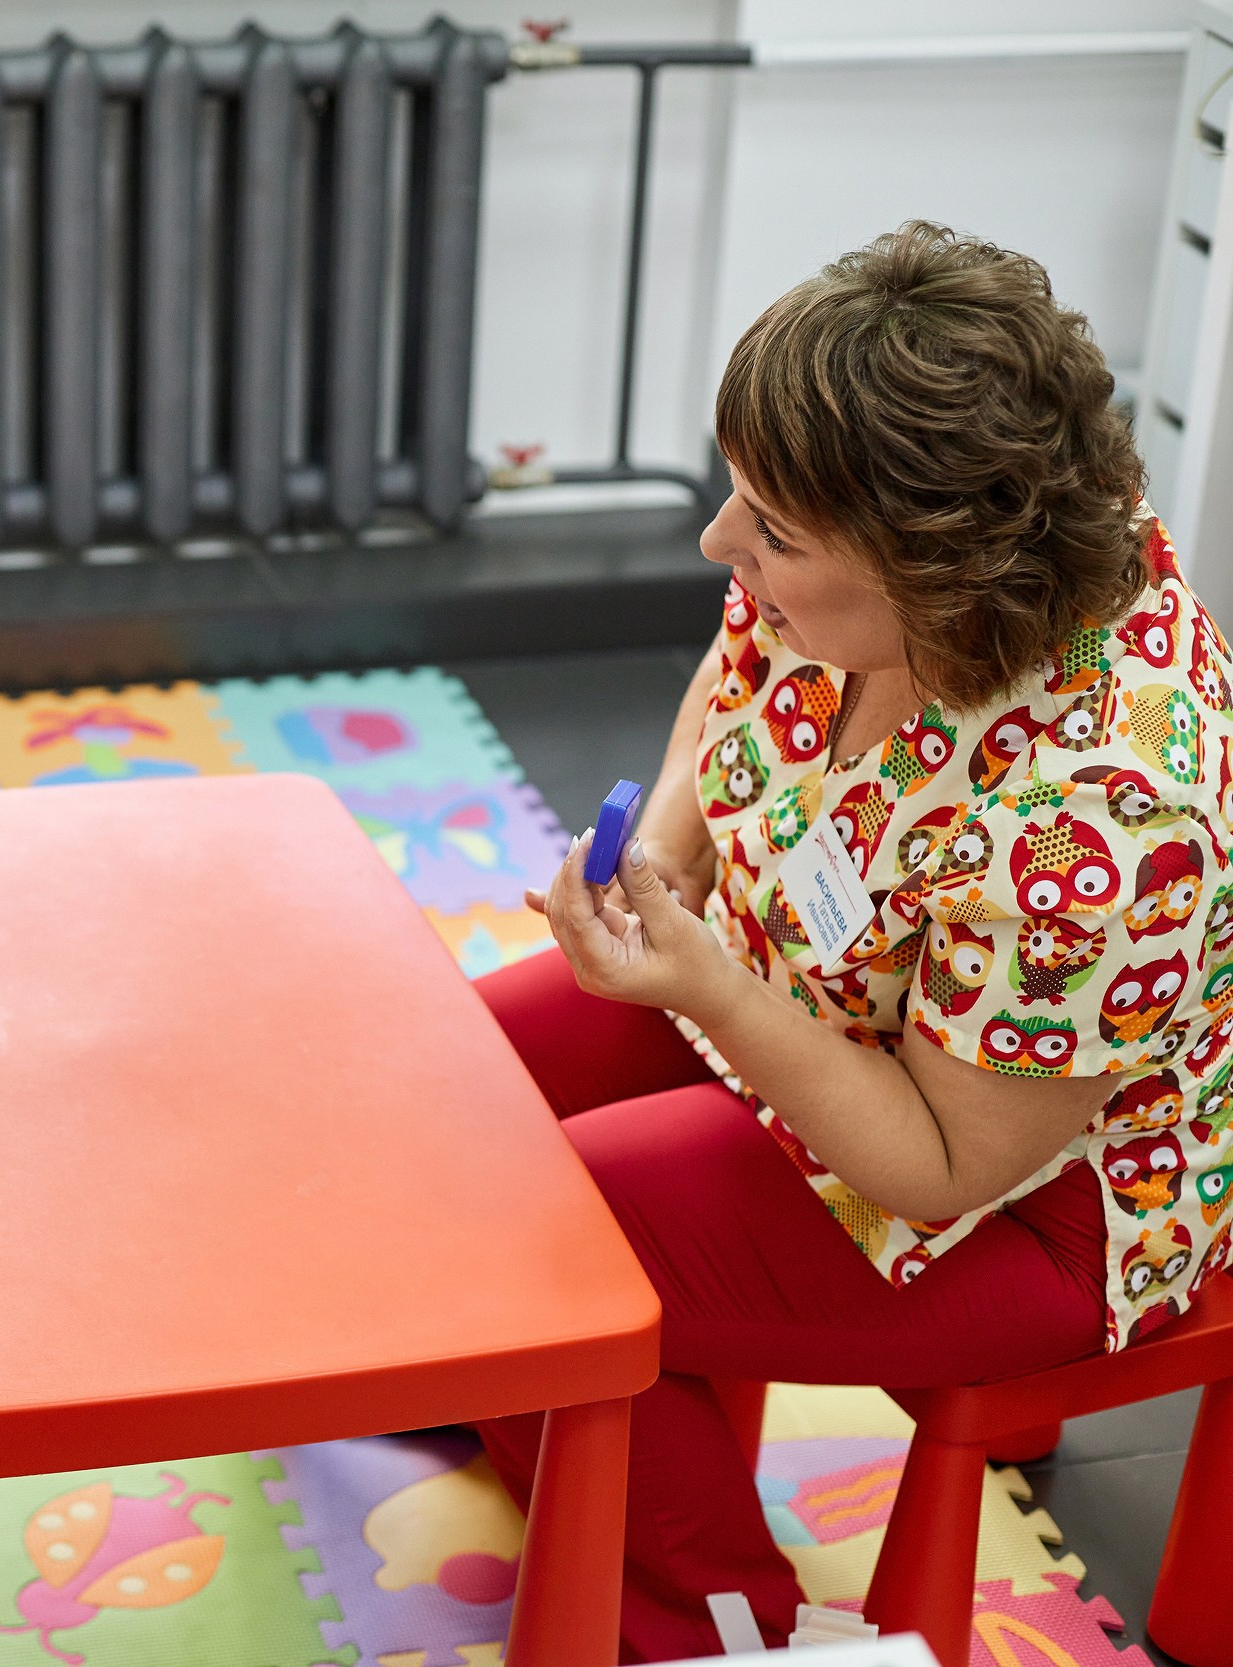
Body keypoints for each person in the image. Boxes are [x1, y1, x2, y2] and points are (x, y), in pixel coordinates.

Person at [474, 222, 1233, 1658]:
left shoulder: (1101, 816)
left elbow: (939, 1164)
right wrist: (672, 856)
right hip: (803, 1000)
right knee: (449, 1096)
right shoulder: (855, 543)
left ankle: (716, 1627)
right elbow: (734, 675)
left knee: (529, 1236)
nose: (721, 544)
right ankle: (528, 1392)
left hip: (1029, 1200)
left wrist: (706, 985)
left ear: (931, 572)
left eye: (769, 529)